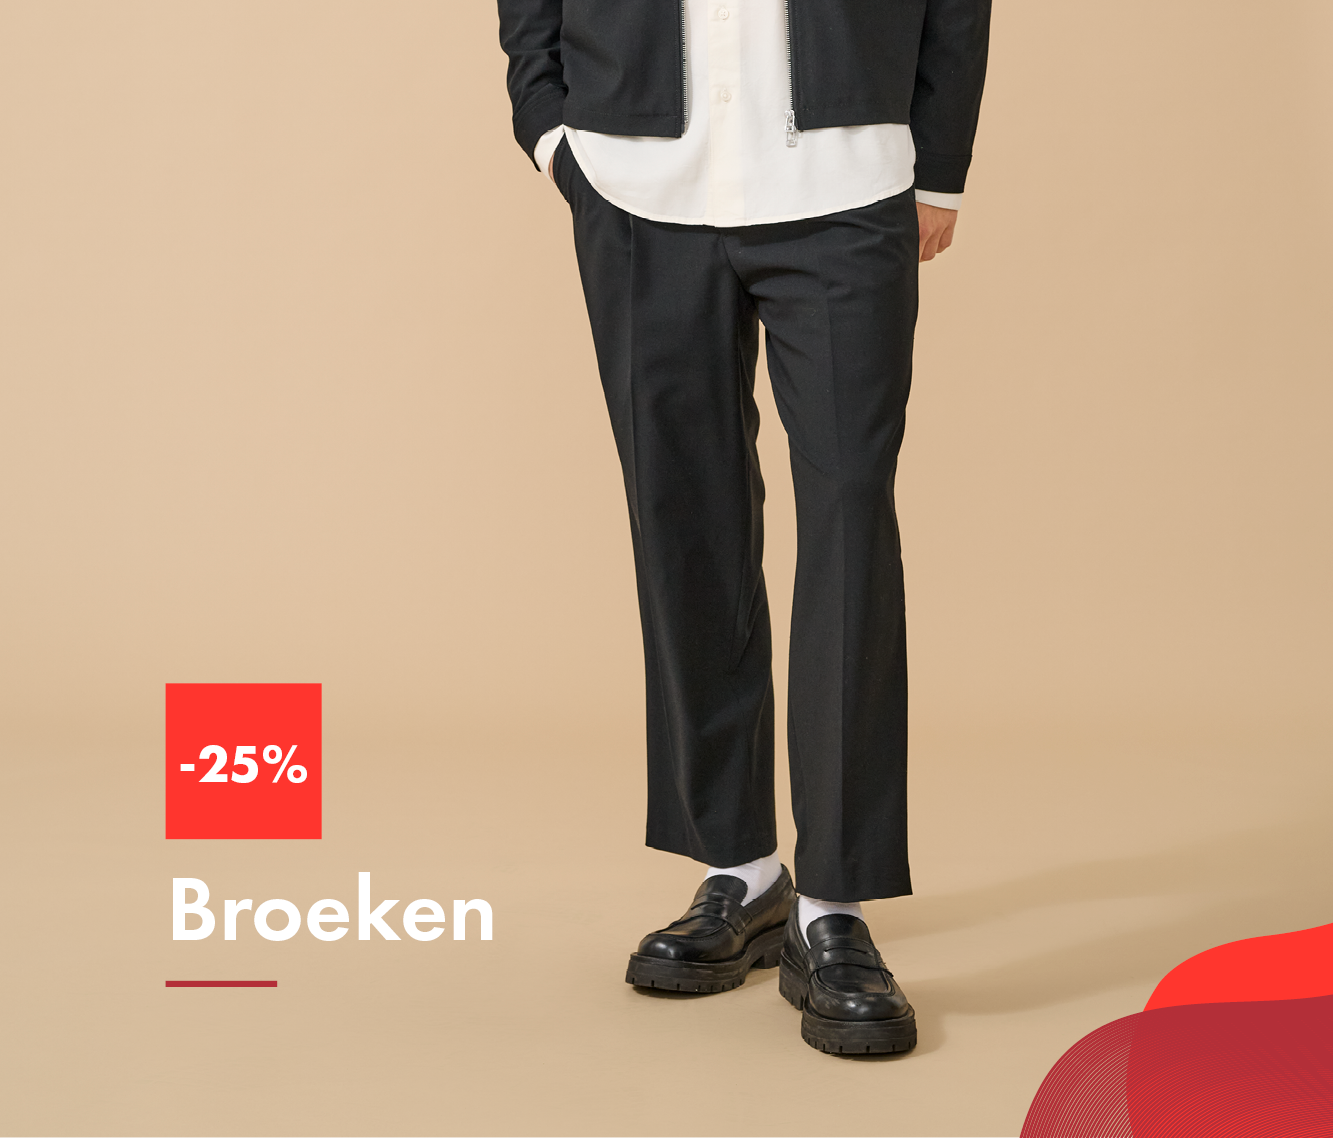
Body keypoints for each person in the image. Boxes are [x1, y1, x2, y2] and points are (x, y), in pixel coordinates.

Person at [497, 0, 990, 1055]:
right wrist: (550, 128)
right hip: (635, 184)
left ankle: (833, 907)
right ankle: (742, 870)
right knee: (682, 519)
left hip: (845, 181)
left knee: (850, 525)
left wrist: (938, 166)